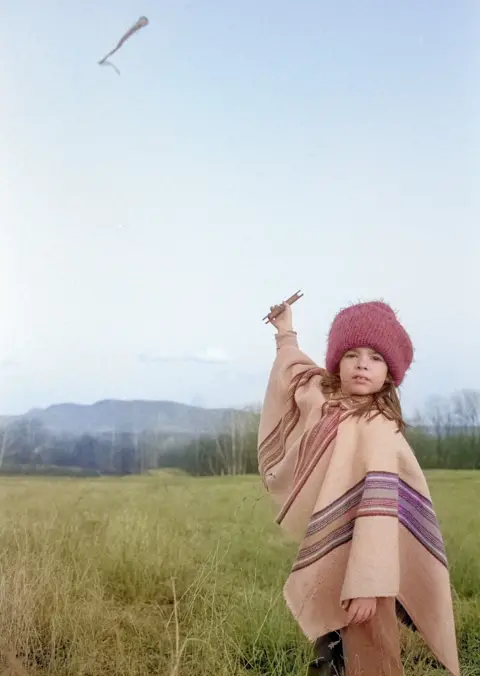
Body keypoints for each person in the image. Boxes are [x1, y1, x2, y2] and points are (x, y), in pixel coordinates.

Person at [257, 300, 460, 676]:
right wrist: (285, 330)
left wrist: (368, 584)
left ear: (390, 372)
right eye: (351, 354)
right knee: (328, 652)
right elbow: (294, 371)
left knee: (371, 652)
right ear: (337, 361)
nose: (362, 363)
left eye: (375, 357)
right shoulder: (324, 399)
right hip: (330, 549)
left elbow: (380, 513)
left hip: (369, 565)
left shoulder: (379, 428)